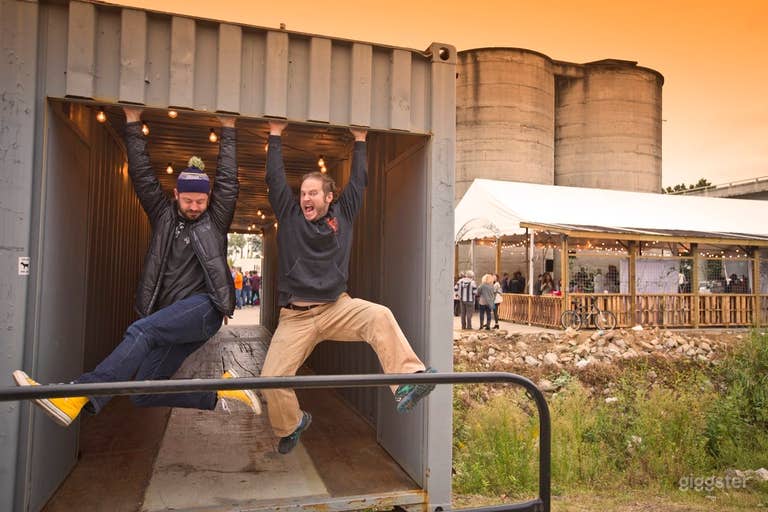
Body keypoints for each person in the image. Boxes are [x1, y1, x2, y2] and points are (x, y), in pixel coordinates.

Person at [13, 107, 261, 426]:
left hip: (204, 308)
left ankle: (77, 394)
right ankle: (221, 393)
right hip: (171, 315)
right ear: (176, 195)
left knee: (141, 330)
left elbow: (228, 182)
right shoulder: (162, 215)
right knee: (144, 392)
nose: (196, 207)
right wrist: (132, 122)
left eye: (201, 201)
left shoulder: (214, 221)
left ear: (208, 198)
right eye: (189, 201)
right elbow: (142, 175)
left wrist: (228, 129)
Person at [260, 120, 435, 455]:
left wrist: (360, 140)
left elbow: (359, 181)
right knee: (271, 377)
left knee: (379, 315)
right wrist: (275, 134)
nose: (305, 198)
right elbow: (274, 179)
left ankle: (408, 382)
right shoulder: (290, 214)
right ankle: (292, 424)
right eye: (303, 193)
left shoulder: (345, 214)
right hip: (296, 316)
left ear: (328, 197)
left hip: (336, 307)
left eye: (313, 193)